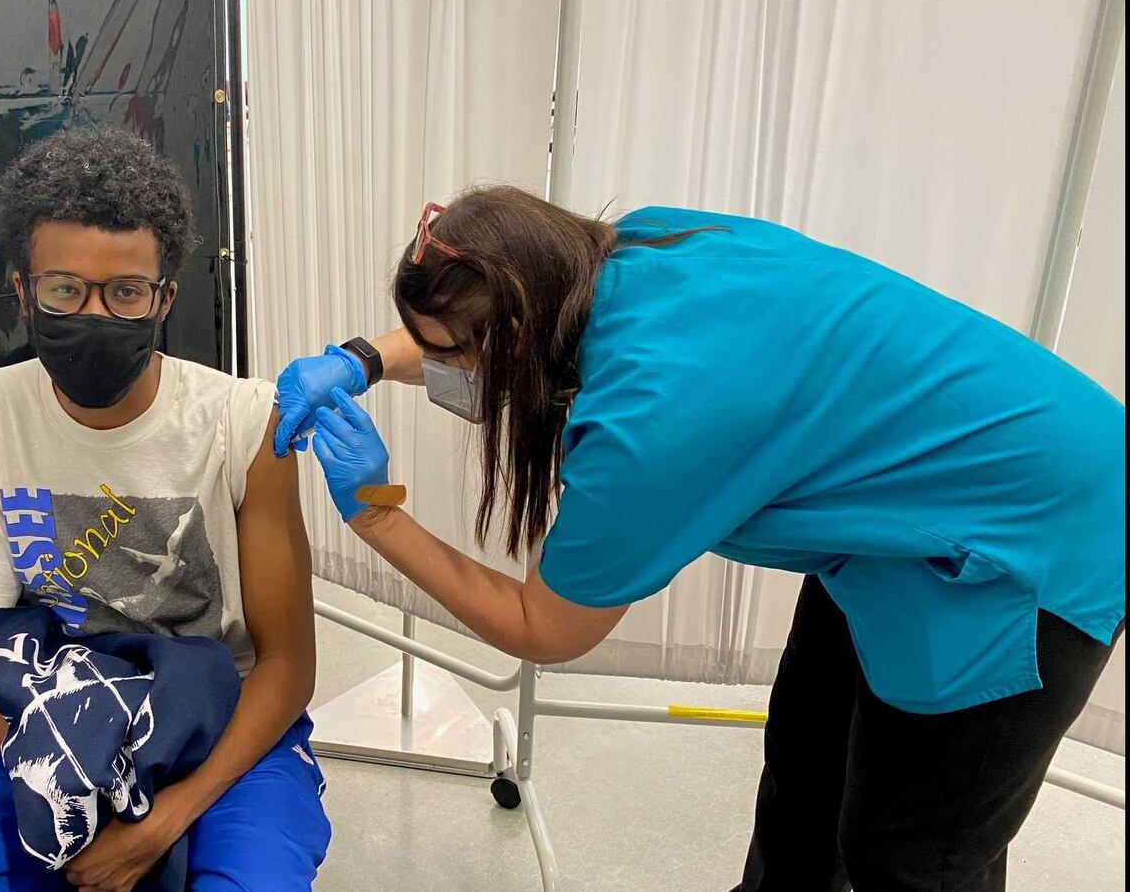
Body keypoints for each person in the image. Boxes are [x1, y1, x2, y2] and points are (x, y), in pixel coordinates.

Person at [274, 186, 1125, 891]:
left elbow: (545, 628)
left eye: (448, 357)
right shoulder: (633, 248)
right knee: (805, 781)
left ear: (517, 345)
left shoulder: (649, 424)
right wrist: (363, 359)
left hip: (1037, 541)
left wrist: (376, 514)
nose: (445, 373)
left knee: (910, 855)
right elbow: (481, 327)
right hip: (905, 518)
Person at [0, 126, 329, 892]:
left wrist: (161, 818)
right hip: (39, 710)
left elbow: (284, 664)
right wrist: (56, 786)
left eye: (124, 292)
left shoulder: (246, 424)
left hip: (223, 721)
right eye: (63, 289)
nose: (92, 313)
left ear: (164, 298)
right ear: (21, 289)